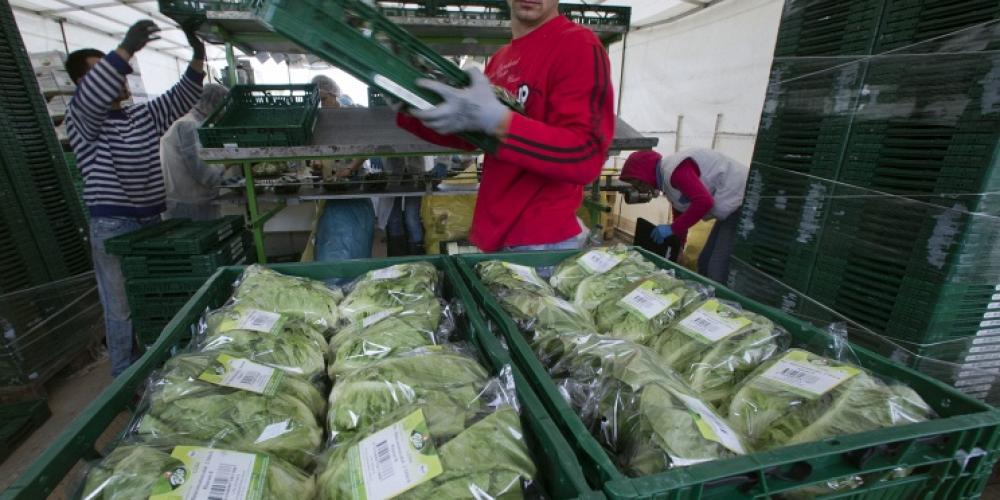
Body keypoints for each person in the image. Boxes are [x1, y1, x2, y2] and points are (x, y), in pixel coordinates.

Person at [394, 0, 615, 252]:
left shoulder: (578, 44)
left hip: (541, 241)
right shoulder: (501, 58)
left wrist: (499, 121)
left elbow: (585, 155)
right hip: (493, 233)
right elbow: (469, 135)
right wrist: (410, 108)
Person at [65, 20, 205, 376]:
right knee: (121, 308)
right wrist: (126, 49)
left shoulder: (140, 115)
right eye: (105, 73)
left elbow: (180, 97)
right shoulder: (83, 119)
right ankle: (124, 377)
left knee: (151, 297)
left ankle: (160, 367)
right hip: (113, 225)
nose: (120, 78)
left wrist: (198, 54)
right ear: (83, 84)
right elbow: (93, 95)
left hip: (150, 221)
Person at [620, 149, 750, 283]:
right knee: (703, 263)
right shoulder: (667, 182)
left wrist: (672, 228)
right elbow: (680, 211)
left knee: (716, 269)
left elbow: (704, 202)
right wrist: (679, 247)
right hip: (729, 206)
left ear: (645, 174)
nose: (641, 189)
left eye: (639, 184)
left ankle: (722, 296)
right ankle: (707, 293)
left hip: (742, 201)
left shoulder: (675, 171)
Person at [311, 75, 375, 260]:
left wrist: (351, 168)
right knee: (331, 234)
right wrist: (317, 162)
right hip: (332, 187)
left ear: (334, 94)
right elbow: (317, 148)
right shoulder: (319, 120)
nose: (322, 105)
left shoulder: (352, 115)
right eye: (318, 101)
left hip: (354, 183)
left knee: (355, 236)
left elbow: (367, 147)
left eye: (324, 99)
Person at [160, 83, 229, 220]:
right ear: (216, 105)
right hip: (188, 206)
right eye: (223, 107)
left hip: (193, 203)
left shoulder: (195, 124)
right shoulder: (189, 126)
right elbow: (205, 174)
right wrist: (228, 163)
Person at [384, 156, 427, 256]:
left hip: (415, 174)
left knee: (412, 219)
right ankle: (397, 259)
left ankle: (416, 259)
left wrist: (443, 163)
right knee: (393, 219)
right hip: (391, 174)